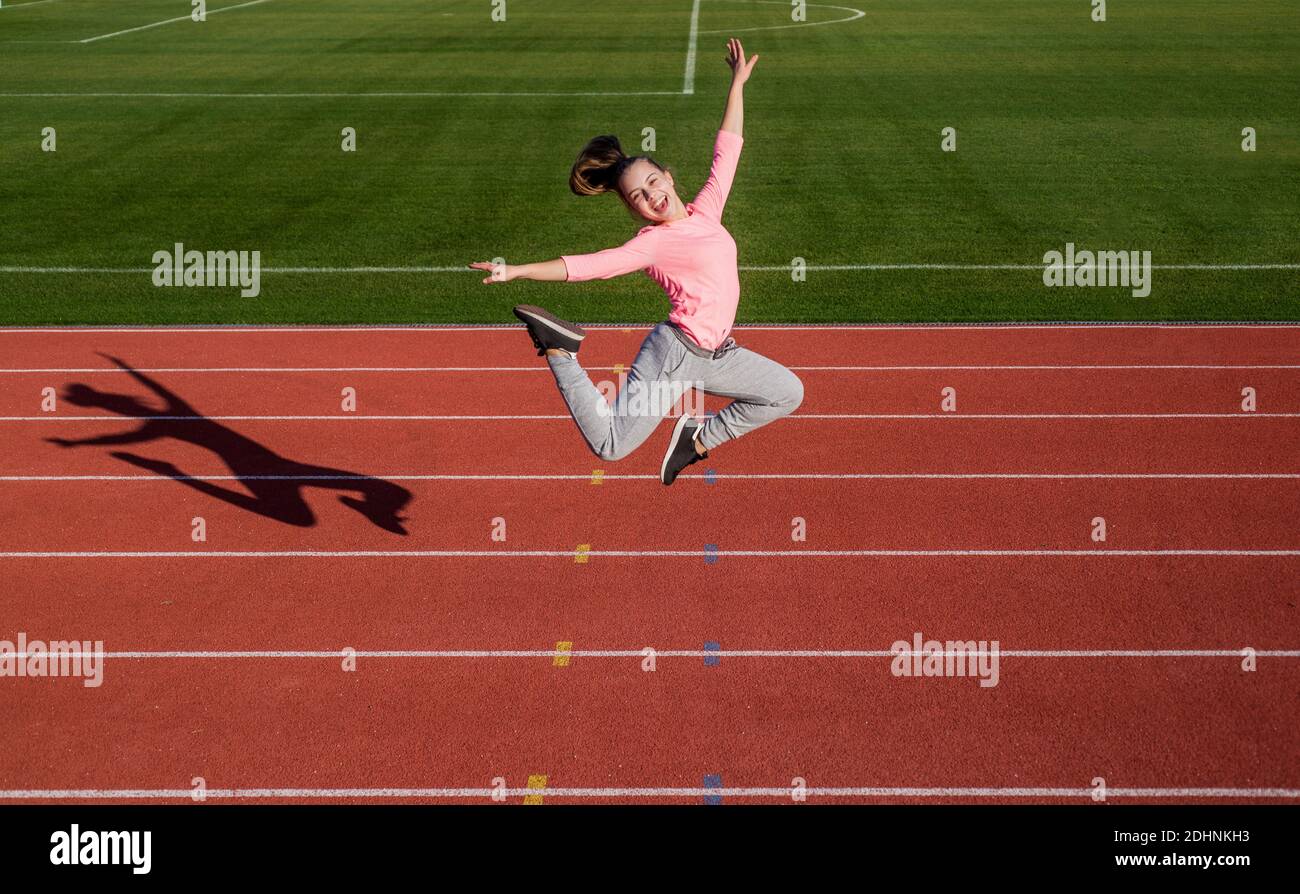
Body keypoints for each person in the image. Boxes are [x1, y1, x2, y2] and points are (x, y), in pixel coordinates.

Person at [469, 38, 802, 485]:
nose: (652, 197)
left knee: (786, 392)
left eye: (653, 182)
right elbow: (595, 264)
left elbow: (729, 149)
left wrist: (737, 83)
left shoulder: (706, 210)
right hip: (676, 357)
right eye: (638, 197)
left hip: (720, 353)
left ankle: (696, 442)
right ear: (633, 208)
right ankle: (560, 349)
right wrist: (518, 270)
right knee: (611, 445)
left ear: (668, 176)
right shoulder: (653, 243)